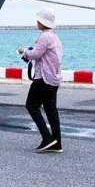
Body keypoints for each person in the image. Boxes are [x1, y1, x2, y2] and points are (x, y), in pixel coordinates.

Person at [19, 9, 64, 153]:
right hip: (54, 78)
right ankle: (57, 142)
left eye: (38, 20)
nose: (37, 22)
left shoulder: (44, 37)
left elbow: (36, 54)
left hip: (43, 78)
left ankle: (47, 138)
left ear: (43, 22)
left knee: (31, 105)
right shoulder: (55, 37)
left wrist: (24, 52)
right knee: (51, 109)